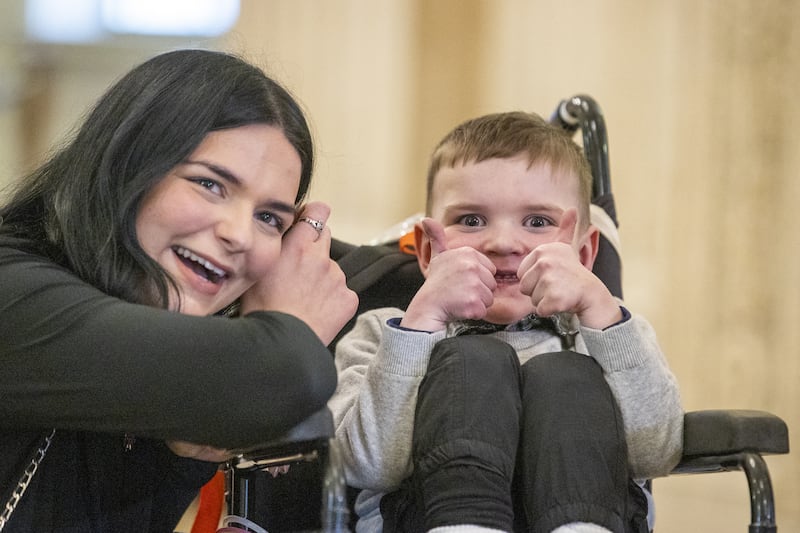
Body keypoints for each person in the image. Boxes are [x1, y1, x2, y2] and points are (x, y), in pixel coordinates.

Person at [0, 49, 357, 533]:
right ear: (125, 166)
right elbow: (277, 377)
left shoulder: (154, 361)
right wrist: (291, 327)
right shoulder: (14, 289)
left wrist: (182, 455)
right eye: (210, 185)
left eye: (269, 218)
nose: (240, 234)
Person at [329, 111, 683, 533]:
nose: (503, 243)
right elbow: (367, 467)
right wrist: (421, 321)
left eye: (538, 222)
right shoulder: (384, 332)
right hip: (424, 518)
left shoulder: (613, 336)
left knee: (565, 375)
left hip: (590, 513)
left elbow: (656, 454)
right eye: (471, 220)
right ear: (426, 252)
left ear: (584, 255)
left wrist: (600, 309)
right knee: (472, 361)